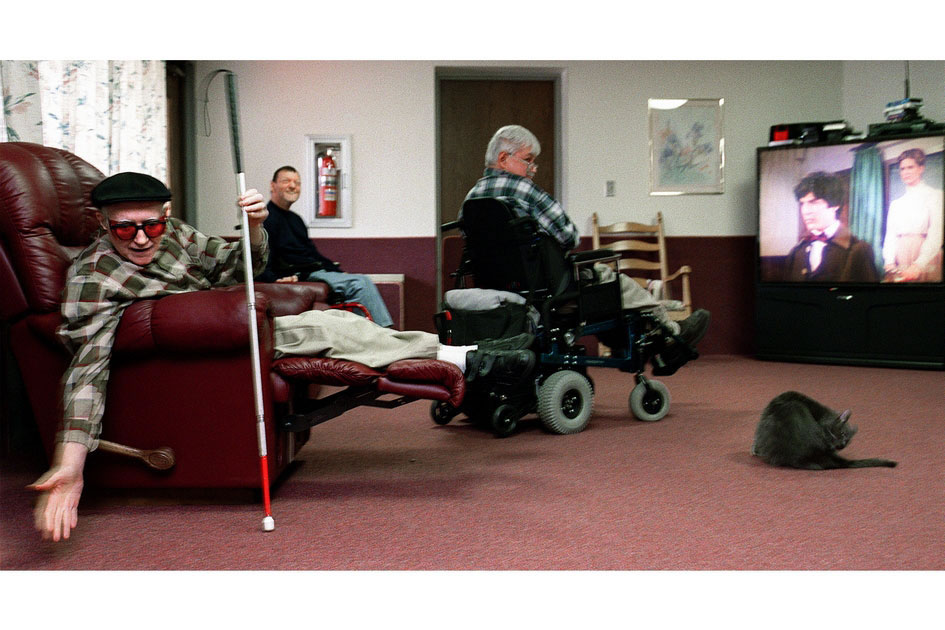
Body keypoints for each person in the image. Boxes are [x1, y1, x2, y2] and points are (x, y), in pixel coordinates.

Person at [29, 172, 533, 542]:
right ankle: (468, 358)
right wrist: (69, 462)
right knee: (327, 328)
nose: (141, 239)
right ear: (101, 223)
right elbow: (86, 368)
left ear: (164, 216)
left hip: (224, 330)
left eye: (151, 227)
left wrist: (253, 227)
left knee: (342, 324)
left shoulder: (176, 234)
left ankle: (464, 354)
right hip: (208, 342)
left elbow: (237, 263)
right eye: (124, 229)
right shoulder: (93, 276)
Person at [462, 124, 711, 347]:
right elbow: (569, 237)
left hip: (497, 287)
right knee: (613, 281)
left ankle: (650, 336)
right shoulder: (525, 190)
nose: (532, 169)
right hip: (546, 289)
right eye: (528, 160)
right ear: (504, 158)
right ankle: (671, 335)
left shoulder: (471, 199)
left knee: (600, 285)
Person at [260, 165, 394, 327]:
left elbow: (313, 254)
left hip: (314, 270)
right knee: (360, 283)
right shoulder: (265, 219)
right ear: (272, 185)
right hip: (301, 274)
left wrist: (338, 271)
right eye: (286, 181)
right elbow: (261, 258)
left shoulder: (296, 220)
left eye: (297, 182)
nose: (293, 186)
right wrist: (273, 278)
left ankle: (373, 334)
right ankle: (382, 334)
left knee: (357, 280)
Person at [783, 171, 878, 282]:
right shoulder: (796, 252)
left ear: (835, 204)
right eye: (802, 204)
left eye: (813, 202)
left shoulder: (859, 250)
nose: (805, 211)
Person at [881, 149, 944, 282]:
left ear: (921, 168)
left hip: (926, 254)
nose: (906, 172)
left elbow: (936, 233)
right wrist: (889, 261)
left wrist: (918, 265)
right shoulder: (896, 204)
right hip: (901, 255)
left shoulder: (935, 195)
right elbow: (890, 235)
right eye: (902, 168)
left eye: (910, 167)